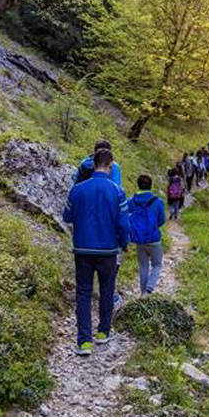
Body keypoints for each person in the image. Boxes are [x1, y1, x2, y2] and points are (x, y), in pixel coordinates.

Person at [63, 149, 130, 355]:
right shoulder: (117, 191)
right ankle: (103, 332)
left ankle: (83, 342)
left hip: (82, 249)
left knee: (83, 293)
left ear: (93, 164)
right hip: (108, 250)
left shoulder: (77, 190)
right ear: (110, 166)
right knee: (106, 291)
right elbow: (124, 224)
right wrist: (124, 243)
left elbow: (67, 216)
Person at [74, 140, 125, 307]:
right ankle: (110, 299)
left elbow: (74, 186)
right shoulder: (114, 167)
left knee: (83, 285)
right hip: (107, 224)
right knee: (111, 262)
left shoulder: (83, 164)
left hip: (84, 225)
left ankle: (84, 329)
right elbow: (117, 191)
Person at [128, 175, 166, 295]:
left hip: (139, 239)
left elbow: (125, 214)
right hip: (154, 239)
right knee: (157, 264)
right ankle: (149, 289)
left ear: (138, 185)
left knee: (143, 266)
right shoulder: (158, 202)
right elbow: (162, 220)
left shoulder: (132, 201)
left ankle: (143, 293)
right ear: (151, 185)